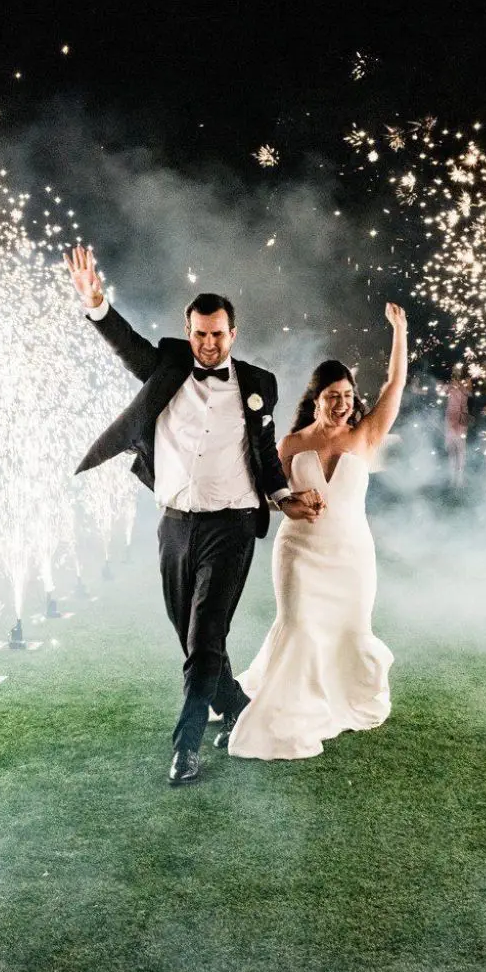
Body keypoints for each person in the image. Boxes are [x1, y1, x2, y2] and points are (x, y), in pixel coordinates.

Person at [64, 246, 324, 785]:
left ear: (234, 334)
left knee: (206, 637)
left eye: (218, 334)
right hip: (175, 526)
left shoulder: (258, 384)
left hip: (231, 526)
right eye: (200, 334)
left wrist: (283, 499)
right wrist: (97, 306)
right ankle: (236, 704)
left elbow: (264, 451)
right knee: (189, 637)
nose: (208, 344)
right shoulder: (166, 365)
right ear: (189, 331)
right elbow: (125, 344)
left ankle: (185, 748)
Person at [226, 302, 408, 760]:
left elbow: (394, 385)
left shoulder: (366, 435)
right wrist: (291, 502)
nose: (342, 402)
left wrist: (399, 333)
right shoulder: (291, 444)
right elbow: (272, 491)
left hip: (351, 556)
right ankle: (289, 711)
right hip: (299, 554)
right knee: (302, 627)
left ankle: (340, 696)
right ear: (316, 398)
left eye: (347, 394)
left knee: (350, 629)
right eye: (333, 395)